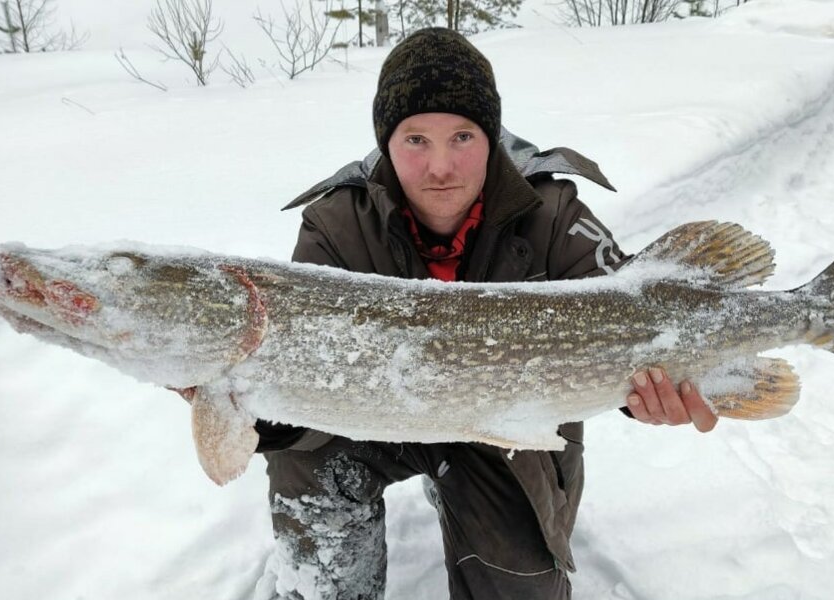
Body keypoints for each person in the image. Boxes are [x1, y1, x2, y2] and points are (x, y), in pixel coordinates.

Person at [252, 28, 717, 600]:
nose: (440, 166)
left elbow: (630, 312)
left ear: (491, 136)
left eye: (463, 136)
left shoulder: (553, 213)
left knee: (521, 585)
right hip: (384, 419)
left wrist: (643, 393)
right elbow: (300, 369)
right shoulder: (337, 225)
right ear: (385, 142)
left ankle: (468, 495)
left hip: (514, 425)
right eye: (416, 138)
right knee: (305, 464)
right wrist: (260, 407)